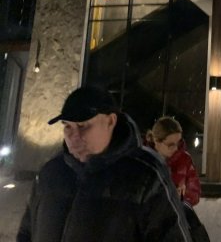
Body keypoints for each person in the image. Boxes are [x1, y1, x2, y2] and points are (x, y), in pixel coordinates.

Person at [17, 86, 192, 242]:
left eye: (83, 126)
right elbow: (27, 232)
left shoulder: (145, 178)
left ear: (110, 121)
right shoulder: (51, 173)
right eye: (67, 126)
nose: (73, 136)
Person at [145, 116, 201, 206]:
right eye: (171, 145)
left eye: (178, 143)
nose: (176, 148)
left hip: (177, 211)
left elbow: (195, 193)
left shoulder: (184, 159)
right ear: (156, 141)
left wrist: (183, 195)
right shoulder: (144, 160)